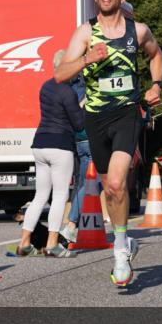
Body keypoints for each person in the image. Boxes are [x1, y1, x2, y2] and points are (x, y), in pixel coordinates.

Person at [55, 0, 162, 286]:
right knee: (110, 188)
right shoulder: (85, 33)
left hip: (126, 113)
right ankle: (125, 241)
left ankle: (119, 250)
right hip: (95, 117)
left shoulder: (137, 31)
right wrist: (86, 59)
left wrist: (156, 85)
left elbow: (156, 55)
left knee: (116, 183)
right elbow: (60, 74)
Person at [15, 51, 86, 257]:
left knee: (40, 196)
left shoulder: (45, 86)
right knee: (60, 196)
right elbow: (78, 123)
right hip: (60, 145)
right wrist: (83, 107)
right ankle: (52, 244)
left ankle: (24, 243)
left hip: (40, 143)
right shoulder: (68, 92)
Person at [61, 72, 92, 245]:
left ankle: (77, 225)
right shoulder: (88, 86)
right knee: (90, 183)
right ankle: (72, 225)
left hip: (77, 140)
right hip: (90, 139)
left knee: (82, 184)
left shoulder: (65, 88)